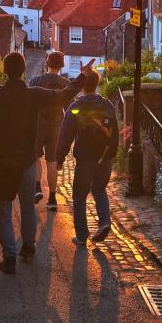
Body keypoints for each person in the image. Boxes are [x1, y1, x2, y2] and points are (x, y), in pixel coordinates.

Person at [0, 49, 95, 274]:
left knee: (4, 210)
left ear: (4, 70)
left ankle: (9, 257)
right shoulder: (34, 95)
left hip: (2, 162)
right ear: (23, 71)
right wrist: (83, 76)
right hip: (28, 162)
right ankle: (28, 247)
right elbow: (64, 94)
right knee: (28, 207)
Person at [56, 70, 118, 246]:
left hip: (85, 158)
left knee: (79, 195)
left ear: (82, 85)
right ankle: (105, 222)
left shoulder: (76, 107)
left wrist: (59, 159)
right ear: (97, 84)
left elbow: (65, 135)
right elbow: (115, 134)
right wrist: (111, 154)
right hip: (105, 156)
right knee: (99, 189)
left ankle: (82, 235)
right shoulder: (108, 105)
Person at [29, 51, 71, 211]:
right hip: (56, 127)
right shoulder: (66, 84)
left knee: (35, 158)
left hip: (38, 124)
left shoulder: (35, 81)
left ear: (47, 63)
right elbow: (69, 109)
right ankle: (52, 198)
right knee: (52, 161)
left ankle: (37, 187)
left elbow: (29, 104)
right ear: (61, 66)